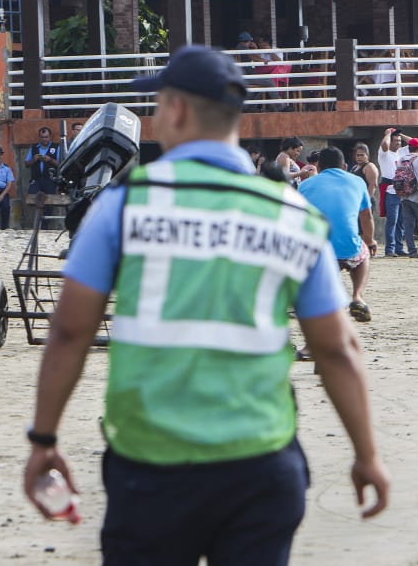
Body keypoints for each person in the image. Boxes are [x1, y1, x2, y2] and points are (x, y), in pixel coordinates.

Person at [22, 45, 388, 564]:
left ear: (175, 110)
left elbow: (69, 332)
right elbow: (336, 349)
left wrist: (44, 438)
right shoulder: (288, 212)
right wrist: (367, 454)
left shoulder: (125, 203)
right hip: (261, 465)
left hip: (151, 469)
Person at [300, 146, 378, 322]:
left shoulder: (305, 185)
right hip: (347, 246)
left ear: (318, 167)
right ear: (344, 166)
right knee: (363, 250)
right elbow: (366, 217)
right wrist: (370, 240)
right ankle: (357, 296)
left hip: (317, 249)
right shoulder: (358, 182)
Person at [377, 128, 408, 257]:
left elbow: (416, 144)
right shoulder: (385, 154)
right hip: (390, 190)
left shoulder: (400, 153)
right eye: (395, 141)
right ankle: (390, 248)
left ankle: (399, 247)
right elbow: (384, 145)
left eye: (399, 141)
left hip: (402, 190)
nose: (398, 143)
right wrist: (388, 134)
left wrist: (400, 134)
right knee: (392, 221)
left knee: (401, 221)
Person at [25, 126, 60, 194]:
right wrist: (33, 160)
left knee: (50, 201)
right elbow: (26, 164)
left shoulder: (56, 147)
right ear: (39, 137)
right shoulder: (34, 147)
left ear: (50, 137)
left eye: (46, 137)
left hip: (50, 180)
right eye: (42, 137)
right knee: (32, 199)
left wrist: (50, 160)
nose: (44, 139)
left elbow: (60, 164)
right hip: (36, 180)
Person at [0, 146, 17, 229]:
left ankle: (4, 228)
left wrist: (2, 195)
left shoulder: (6, 168)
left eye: (1, 154)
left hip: (2, 190)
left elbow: (9, 183)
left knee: (6, 207)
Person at [348, 142, 380, 211]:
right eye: (357, 155)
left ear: (367, 155)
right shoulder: (354, 167)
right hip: (355, 200)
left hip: (365, 202)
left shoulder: (370, 166)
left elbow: (373, 185)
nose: (359, 157)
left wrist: (365, 203)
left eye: (362, 155)